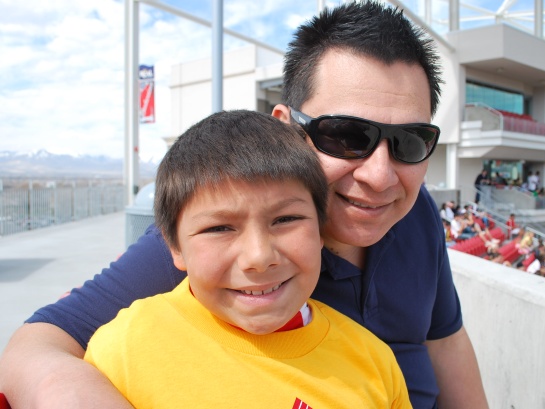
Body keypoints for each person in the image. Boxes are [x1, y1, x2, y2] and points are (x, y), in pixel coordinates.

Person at [0, 2, 488, 409]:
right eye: (347, 135)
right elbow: (38, 346)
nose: (380, 176)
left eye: (409, 142)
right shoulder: (218, 238)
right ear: (286, 128)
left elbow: (445, 339)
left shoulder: (417, 212)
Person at [83, 110, 411, 408]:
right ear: (176, 248)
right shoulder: (124, 348)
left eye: (285, 220)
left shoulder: (374, 362)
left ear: (320, 230)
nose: (259, 257)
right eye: (220, 227)